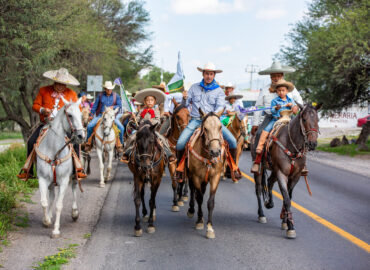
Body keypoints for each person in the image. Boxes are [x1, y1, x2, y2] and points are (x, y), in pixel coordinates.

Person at [174, 62, 242, 181]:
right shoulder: (194, 88)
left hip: (213, 122)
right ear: (203, 74)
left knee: (232, 141)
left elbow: (220, 107)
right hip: (196, 120)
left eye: (211, 74)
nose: (209, 76)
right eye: (206, 73)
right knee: (180, 143)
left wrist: (211, 117)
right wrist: (184, 98)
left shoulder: (219, 91)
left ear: (214, 75)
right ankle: (180, 169)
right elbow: (185, 105)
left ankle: (233, 167)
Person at [17, 68, 87, 180]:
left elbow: (77, 110)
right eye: (58, 83)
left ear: (66, 84)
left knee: (75, 143)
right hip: (46, 124)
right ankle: (28, 171)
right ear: (54, 81)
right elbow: (35, 105)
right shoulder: (44, 90)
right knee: (31, 141)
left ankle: (77, 170)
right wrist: (43, 110)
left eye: (63, 84)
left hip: (64, 127)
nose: (60, 86)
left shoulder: (72, 94)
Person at [251, 61, 308, 175]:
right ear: (270, 76)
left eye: (278, 75)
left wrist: (296, 106)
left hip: (289, 118)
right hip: (271, 117)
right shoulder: (265, 90)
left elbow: (299, 100)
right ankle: (257, 161)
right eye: (274, 76)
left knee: (301, 135)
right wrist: (255, 123)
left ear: (282, 76)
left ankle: (302, 162)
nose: (276, 78)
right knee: (259, 133)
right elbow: (258, 107)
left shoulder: (291, 89)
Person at [251, 80, 299, 173]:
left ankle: (300, 158)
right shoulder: (274, 101)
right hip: (276, 119)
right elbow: (272, 112)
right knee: (265, 130)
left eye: (283, 90)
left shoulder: (290, 100)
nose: (281, 92)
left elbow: (295, 111)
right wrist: (276, 108)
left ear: (287, 91)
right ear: (276, 92)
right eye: (279, 90)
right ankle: (259, 148)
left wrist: (293, 107)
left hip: (288, 119)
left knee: (298, 131)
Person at [120, 88, 175, 163]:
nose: (149, 102)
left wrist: (152, 122)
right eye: (147, 100)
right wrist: (134, 117)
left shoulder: (156, 111)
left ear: (154, 102)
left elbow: (158, 121)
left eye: (151, 100)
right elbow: (138, 119)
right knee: (132, 138)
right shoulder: (142, 110)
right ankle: (126, 153)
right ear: (145, 102)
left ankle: (169, 154)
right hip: (142, 130)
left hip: (152, 131)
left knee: (162, 139)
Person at [85, 81, 124, 152]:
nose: (109, 90)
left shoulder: (116, 95)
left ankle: (120, 144)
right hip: (101, 115)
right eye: (107, 89)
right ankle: (88, 143)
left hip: (112, 116)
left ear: (112, 88)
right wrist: (91, 114)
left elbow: (120, 105)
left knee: (121, 128)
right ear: (105, 89)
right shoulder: (100, 95)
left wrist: (113, 107)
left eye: (110, 89)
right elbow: (95, 105)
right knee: (90, 126)